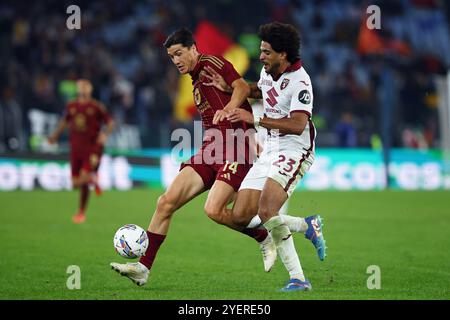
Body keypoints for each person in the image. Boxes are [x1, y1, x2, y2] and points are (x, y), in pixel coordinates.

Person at [110, 28, 279, 286]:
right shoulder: (194, 79)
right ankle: (143, 268)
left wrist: (230, 109)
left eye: (179, 53)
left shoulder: (213, 63)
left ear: (192, 48)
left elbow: (242, 86)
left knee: (213, 210)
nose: (176, 60)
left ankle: (263, 237)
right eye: (171, 57)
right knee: (165, 202)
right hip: (210, 150)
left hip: (235, 148)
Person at [203, 22, 326, 292]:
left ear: (283, 54)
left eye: (266, 52)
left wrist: (255, 118)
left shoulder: (301, 82)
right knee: (239, 216)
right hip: (270, 149)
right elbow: (262, 90)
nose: (261, 57)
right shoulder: (268, 71)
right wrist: (229, 87)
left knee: (267, 210)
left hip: (295, 148)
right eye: (261, 51)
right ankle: (306, 225)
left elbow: (297, 124)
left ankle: (298, 278)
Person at [48, 79, 114, 223]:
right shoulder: (71, 105)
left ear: (90, 89)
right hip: (75, 149)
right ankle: (93, 179)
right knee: (75, 184)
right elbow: (64, 122)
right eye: (80, 86)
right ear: (77, 89)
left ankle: (81, 212)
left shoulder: (96, 107)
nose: (83, 88)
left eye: (86, 86)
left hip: (92, 149)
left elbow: (110, 123)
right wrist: (55, 136)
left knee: (83, 179)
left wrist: (104, 135)